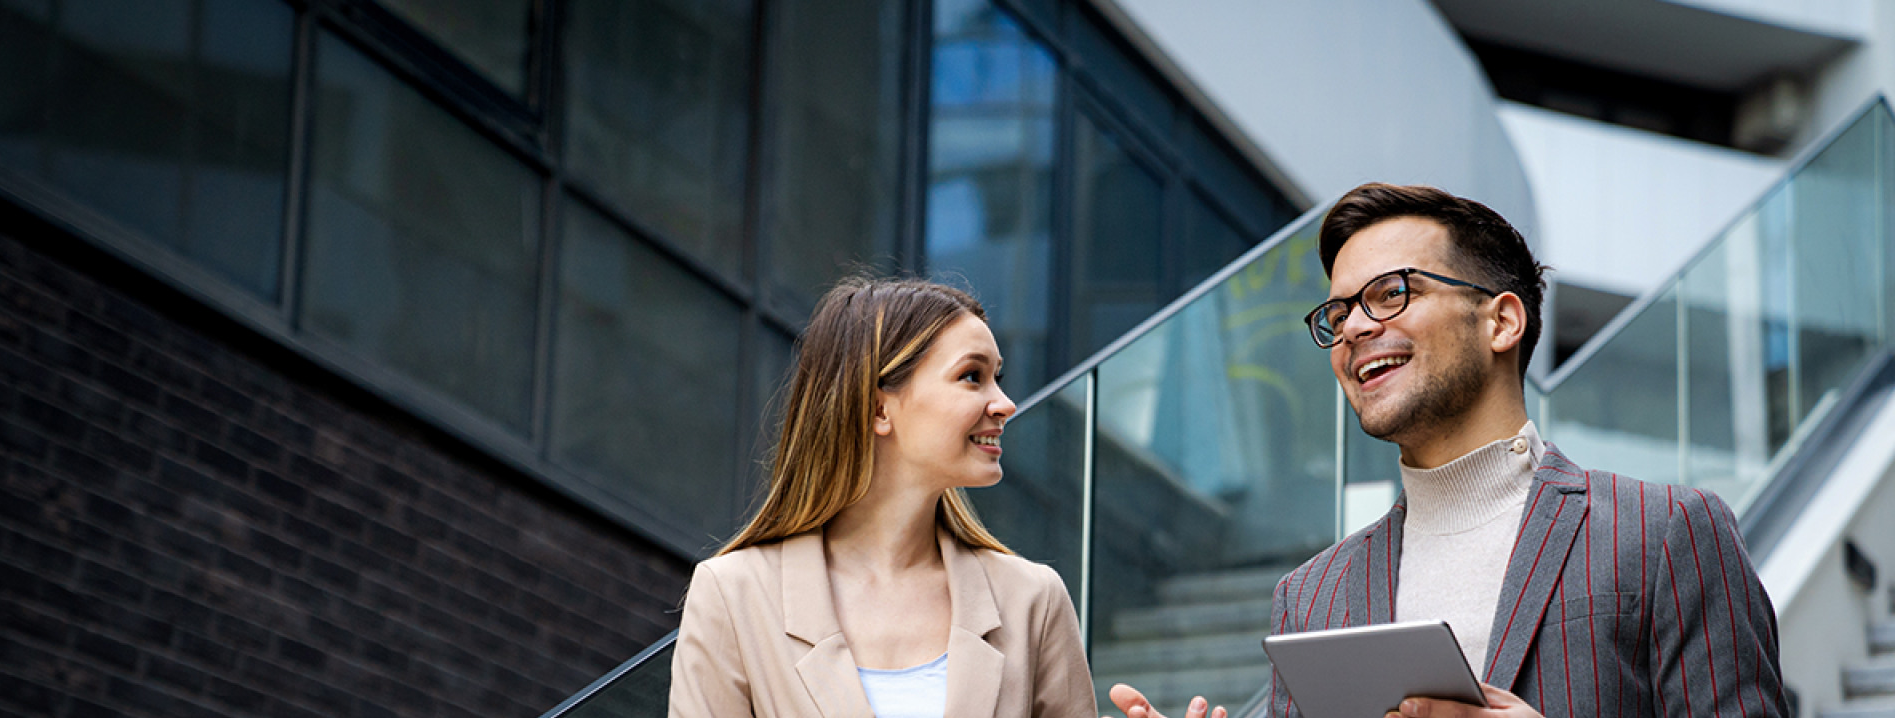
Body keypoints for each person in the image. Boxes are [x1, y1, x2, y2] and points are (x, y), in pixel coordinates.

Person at [1268, 183, 1790, 718]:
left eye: (1392, 293)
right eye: (1338, 315)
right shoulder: (1309, 598)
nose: (1353, 327)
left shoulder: (1665, 531)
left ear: (1502, 322)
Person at [668, 276, 1222, 718]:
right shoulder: (734, 597)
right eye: (972, 377)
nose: (1004, 403)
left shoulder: (1032, 601)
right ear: (879, 406)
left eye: (998, 378)